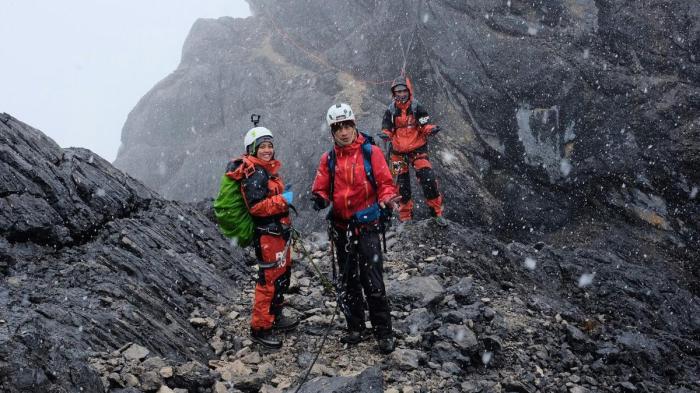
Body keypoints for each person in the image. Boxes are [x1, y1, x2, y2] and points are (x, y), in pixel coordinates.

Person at [311, 103, 400, 354]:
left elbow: (385, 183)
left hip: (367, 227)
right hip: (342, 229)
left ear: (354, 125)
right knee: (349, 280)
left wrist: (386, 198)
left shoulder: (371, 153)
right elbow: (321, 188)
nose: (343, 132)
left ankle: (383, 332)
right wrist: (319, 198)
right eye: (338, 128)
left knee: (373, 280)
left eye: (347, 125)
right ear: (332, 131)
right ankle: (356, 328)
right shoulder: (328, 159)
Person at [222, 126, 298, 349]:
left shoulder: (266, 170)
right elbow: (256, 207)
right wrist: (283, 200)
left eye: (270, 145)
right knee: (269, 280)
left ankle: (275, 316)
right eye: (262, 146)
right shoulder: (255, 173)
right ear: (252, 149)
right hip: (268, 235)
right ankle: (260, 327)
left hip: (278, 233)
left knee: (282, 275)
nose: (267, 150)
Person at [380, 76, 447, 227]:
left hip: (418, 150)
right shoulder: (390, 110)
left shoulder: (417, 107)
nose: (401, 94)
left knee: (428, 178)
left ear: (409, 91)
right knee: (401, 185)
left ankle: (436, 214)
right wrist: (385, 135)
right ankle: (405, 219)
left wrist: (431, 130)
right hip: (397, 153)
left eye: (403, 91)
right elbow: (387, 129)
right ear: (393, 93)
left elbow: (425, 124)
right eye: (398, 91)